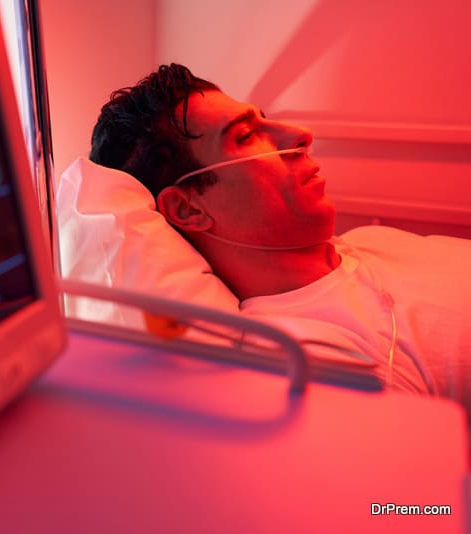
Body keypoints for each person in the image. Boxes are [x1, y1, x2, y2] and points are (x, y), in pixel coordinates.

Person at [89, 63, 470, 415]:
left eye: (263, 121)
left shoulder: (371, 241)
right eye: (247, 135)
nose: (301, 135)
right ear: (189, 209)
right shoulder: (315, 358)